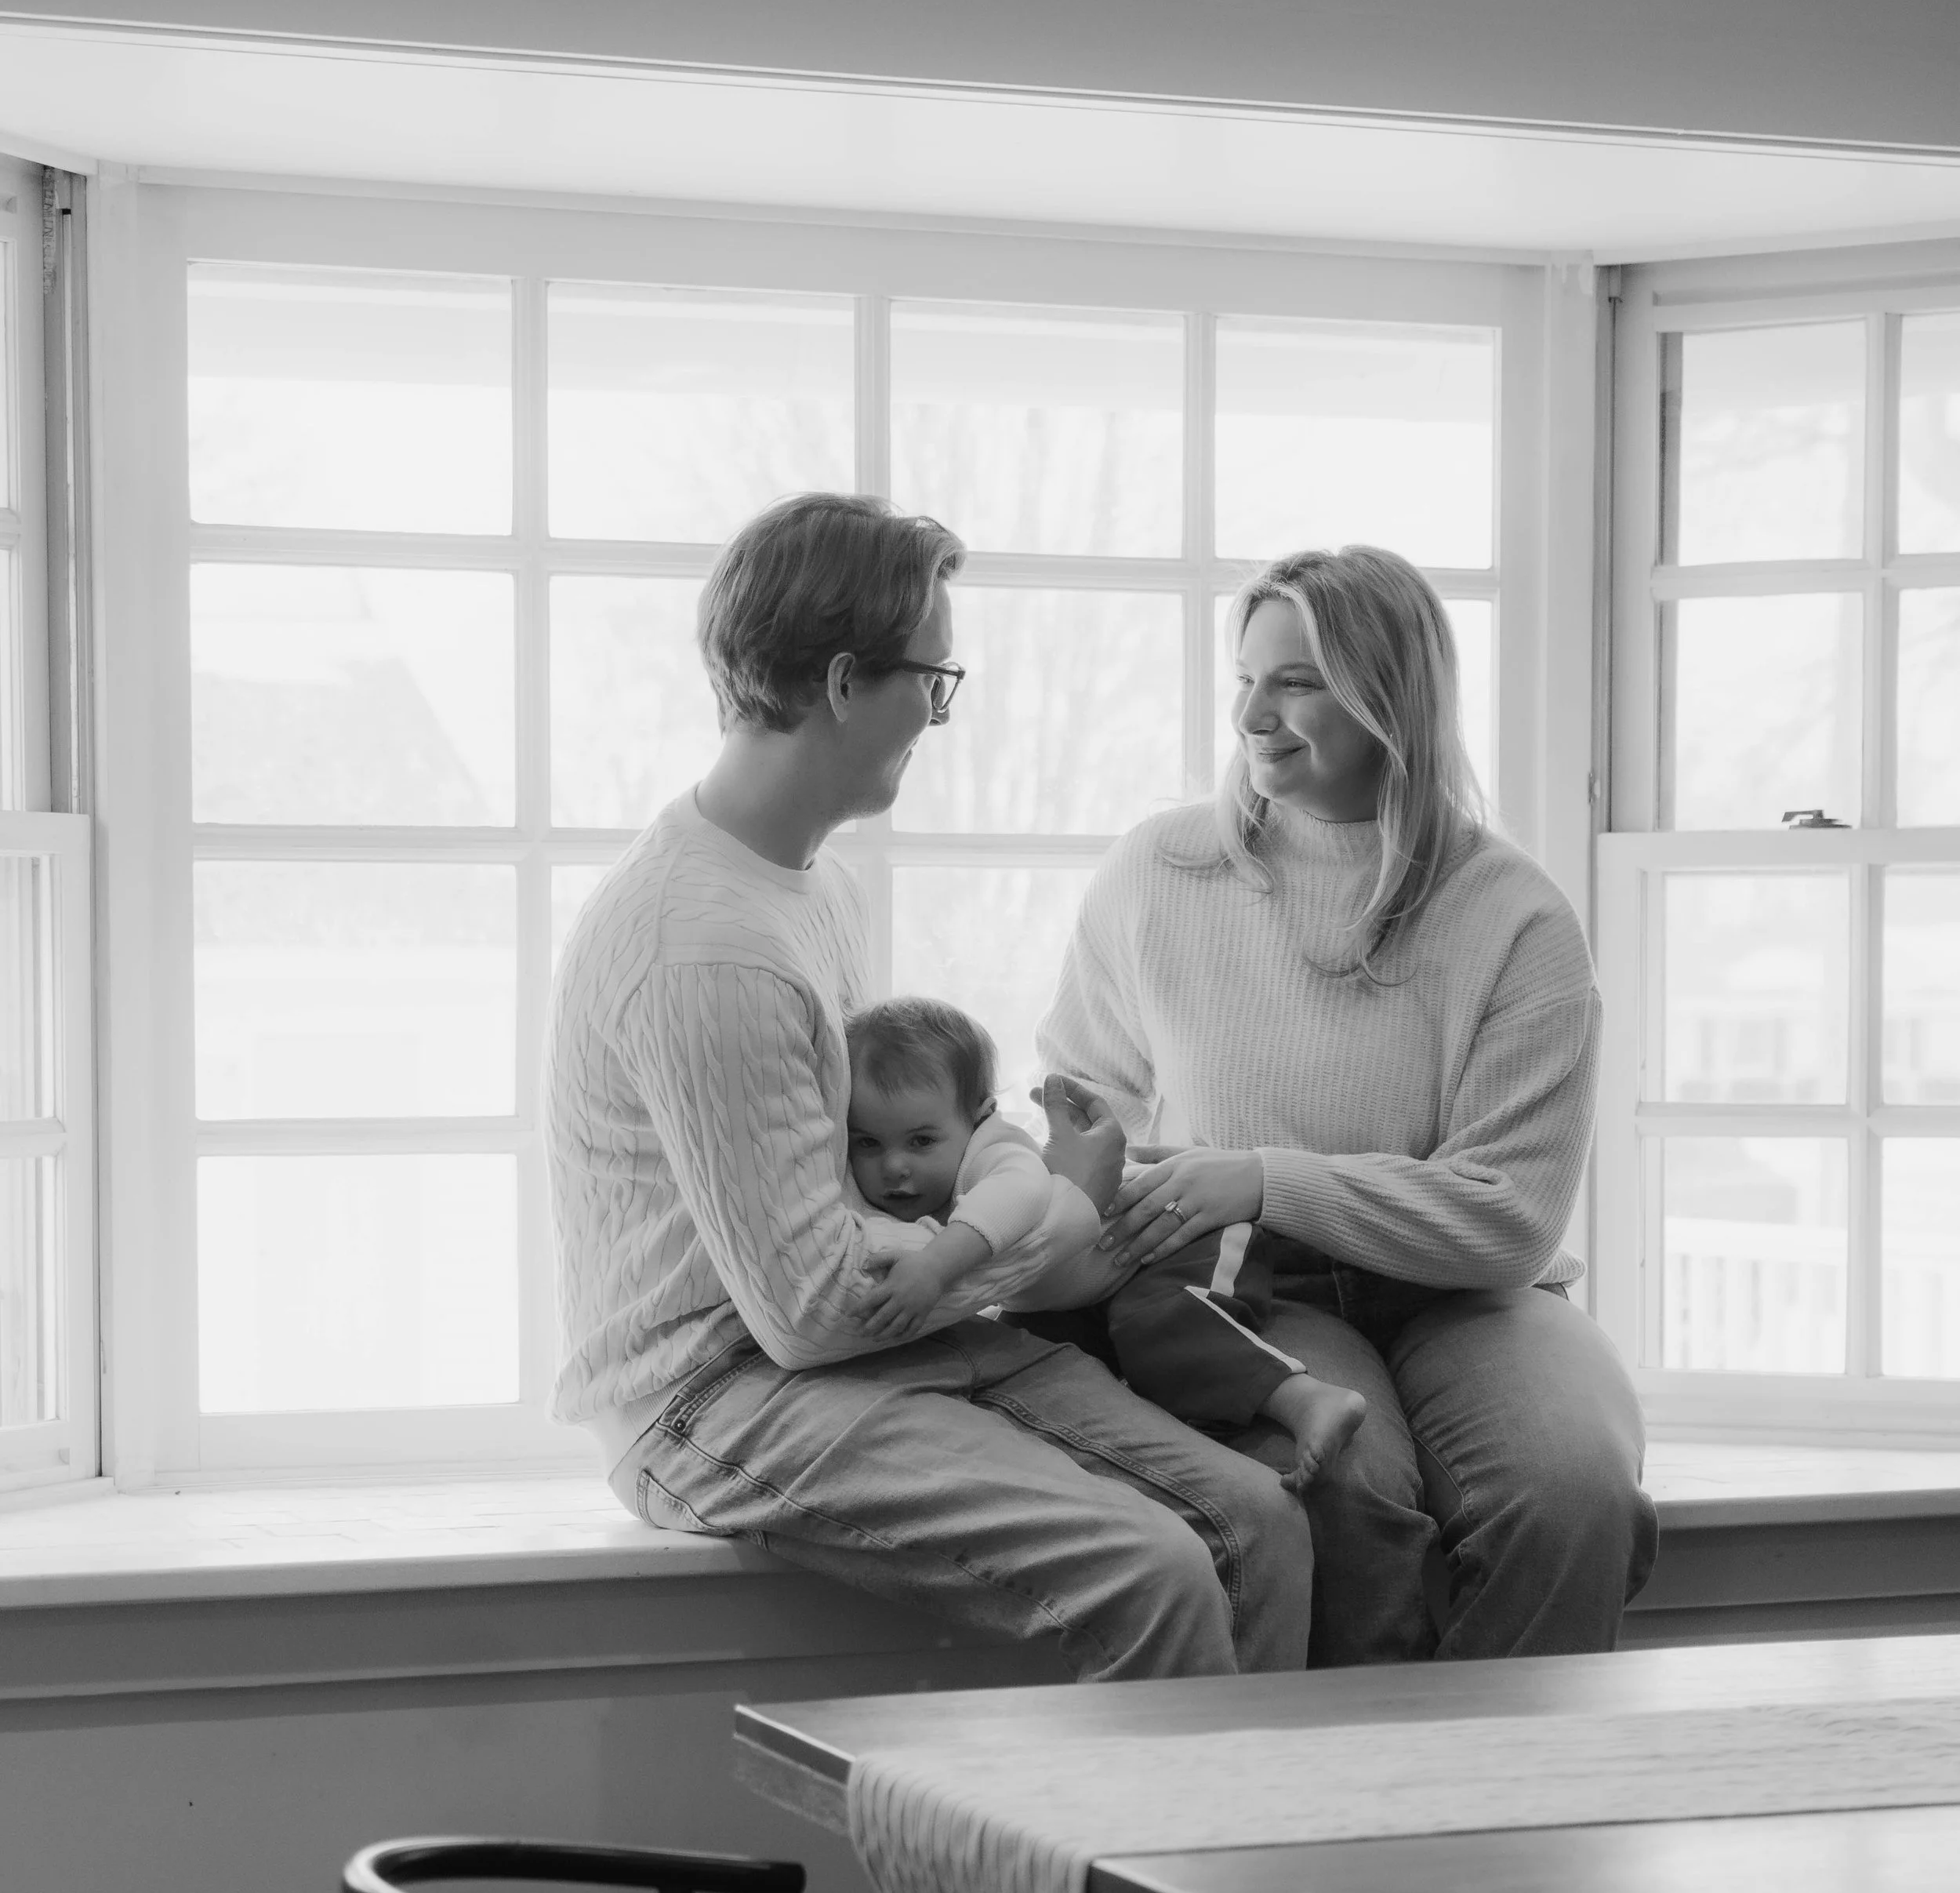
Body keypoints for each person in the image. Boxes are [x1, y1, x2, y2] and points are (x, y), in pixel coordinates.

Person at [544, 490, 1318, 1695]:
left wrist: (1023, 1200)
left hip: (860, 1356)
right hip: (716, 1394)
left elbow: (871, 1195)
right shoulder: (706, 950)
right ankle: (1120, 1880)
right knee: (1156, 1569)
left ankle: (1250, 1876)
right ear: (847, 682)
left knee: (1261, 1522)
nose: (938, 714)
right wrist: (1051, 1222)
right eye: (932, 680)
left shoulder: (808, 886)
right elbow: (807, 1311)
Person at [1039, 542, 1658, 1666]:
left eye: (1298, 682)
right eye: (1245, 681)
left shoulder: (1510, 915)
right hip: (1252, 1286)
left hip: (1474, 1296)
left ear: (1392, 697)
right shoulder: (1159, 873)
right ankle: (1365, 1815)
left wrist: (1265, 1175)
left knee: (1574, 1496)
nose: (1255, 717)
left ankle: (1511, 1816)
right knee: (1342, 1488)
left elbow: (1510, 1218)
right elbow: (1089, 1113)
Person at [844, 992, 1366, 1491]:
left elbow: (1015, 1201)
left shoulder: (995, 1153)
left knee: (1158, 1324)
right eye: (867, 1143)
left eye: (920, 1141)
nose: (894, 1167)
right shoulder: (908, 1184)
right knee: (1023, 1363)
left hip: (1177, 1233)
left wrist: (934, 1267)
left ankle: (1307, 1399)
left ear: (979, 1118)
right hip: (1086, 1284)